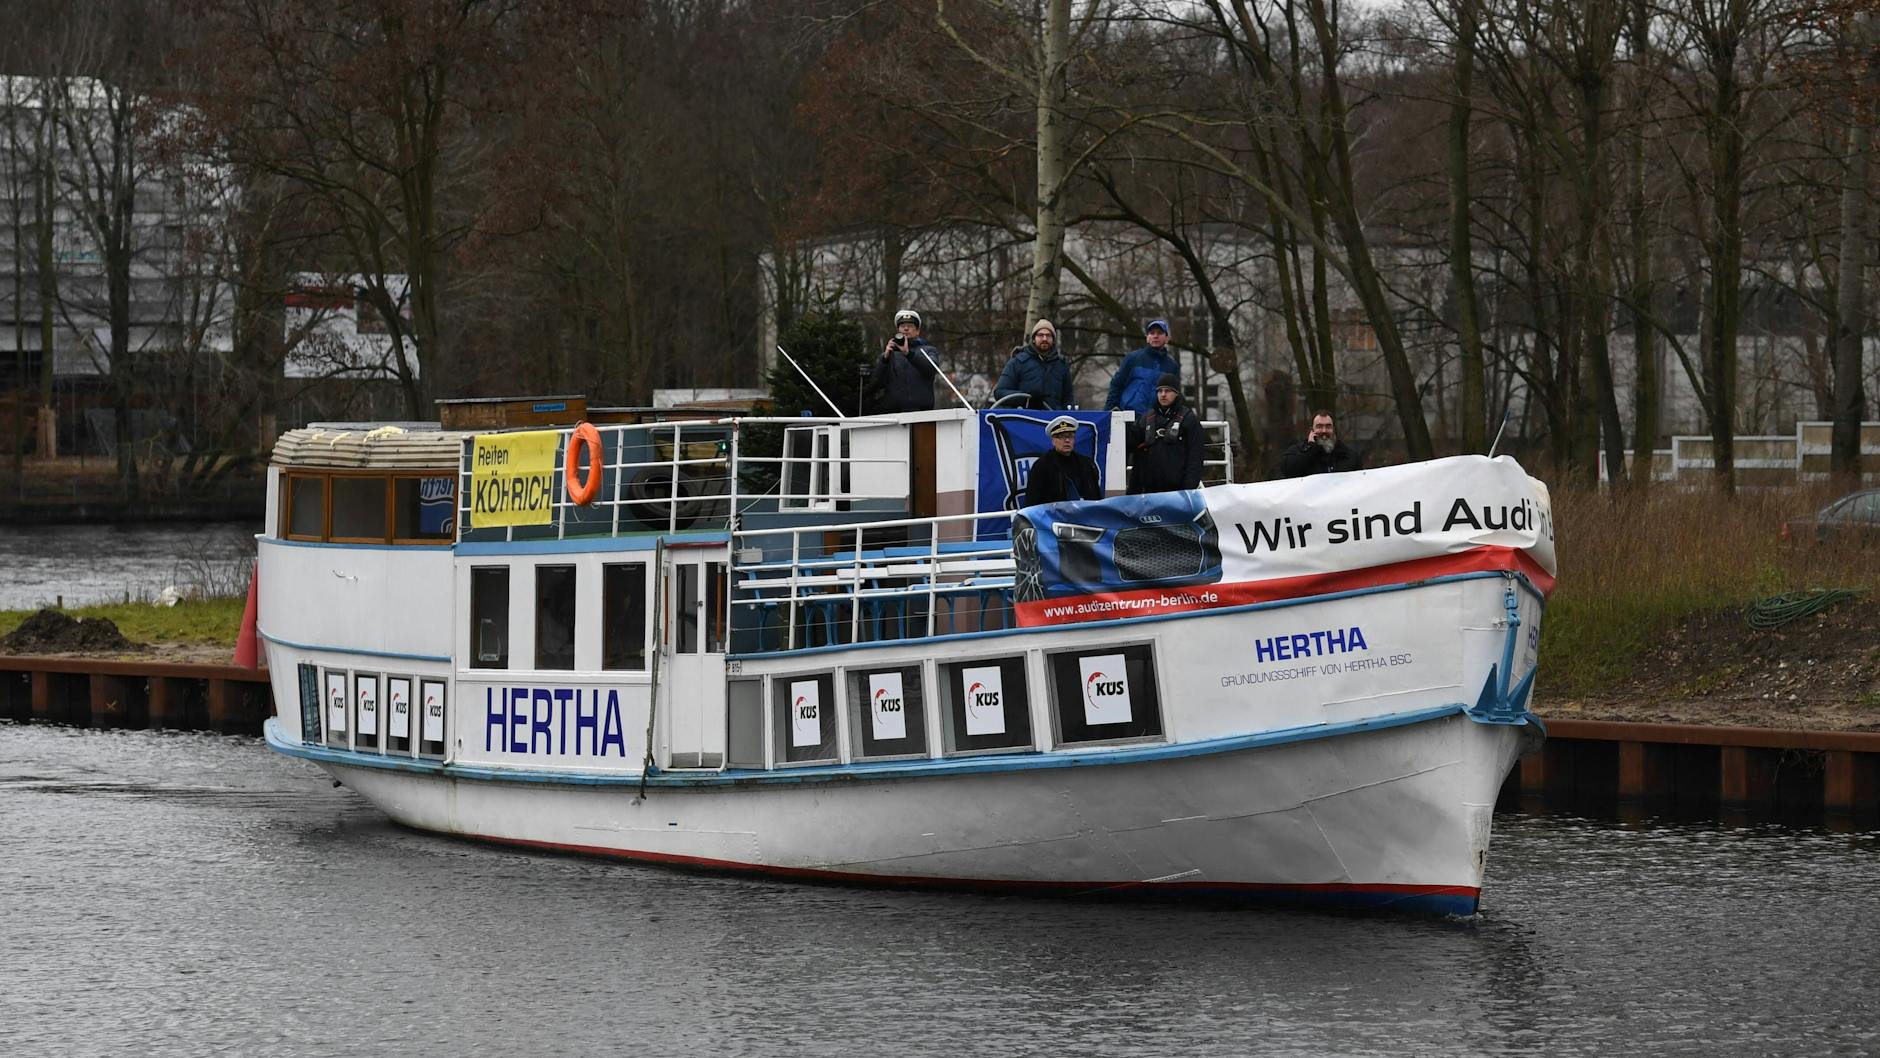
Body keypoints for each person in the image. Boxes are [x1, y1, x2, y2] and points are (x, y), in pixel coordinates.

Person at [1129, 374, 1204, 494]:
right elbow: (1129, 442)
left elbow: (1195, 457)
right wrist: (1117, 422)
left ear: (1177, 393)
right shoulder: (1146, 418)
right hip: (1148, 490)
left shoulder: (1189, 419)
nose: (1163, 394)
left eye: (1168, 391)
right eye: (1160, 391)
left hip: (1178, 491)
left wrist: (1188, 490)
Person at [869, 308, 940, 413]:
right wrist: (884, 359)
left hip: (922, 413)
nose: (906, 329)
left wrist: (908, 353)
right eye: (902, 326)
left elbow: (931, 369)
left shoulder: (929, 350)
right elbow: (876, 382)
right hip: (894, 414)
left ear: (917, 331)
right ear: (898, 331)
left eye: (910, 326)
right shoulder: (890, 354)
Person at [1105, 319, 1179, 419]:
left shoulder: (1172, 366)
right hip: (1127, 417)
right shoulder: (1132, 358)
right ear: (1147, 338)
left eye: (1160, 333)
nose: (1155, 336)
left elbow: (1174, 395)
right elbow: (1116, 385)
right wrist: (1108, 413)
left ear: (1167, 338)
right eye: (1152, 333)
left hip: (1155, 419)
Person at [994, 319, 1074, 410]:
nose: (1044, 339)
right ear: (1033, 339)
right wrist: (1026, 398)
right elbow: (999, 392)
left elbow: (1068, 398)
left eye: (1048, 335)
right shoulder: (1018, 362)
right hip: (1025, 417)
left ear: (1053, 340)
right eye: (1040, 335)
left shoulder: (1062, 365)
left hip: (1054, 417)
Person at [1024, 415, 1100, 505]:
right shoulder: (1042, 465)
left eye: (1070, 436)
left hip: (1084, 512)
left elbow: (1095, 496)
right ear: (1053, 441)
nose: (1067, 440)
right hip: (1053, 512)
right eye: (1061, 437)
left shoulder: (1086, 463)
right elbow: (1032, 501)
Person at [1279, 410, 1362, 477]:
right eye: (1319, 426)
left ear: (1334, 430)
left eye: (1328, 426)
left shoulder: (1349, 456)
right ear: (1312, 430)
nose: (1324, 431)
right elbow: (1288, 472)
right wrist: (1310, 449)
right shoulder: (1296, 452)